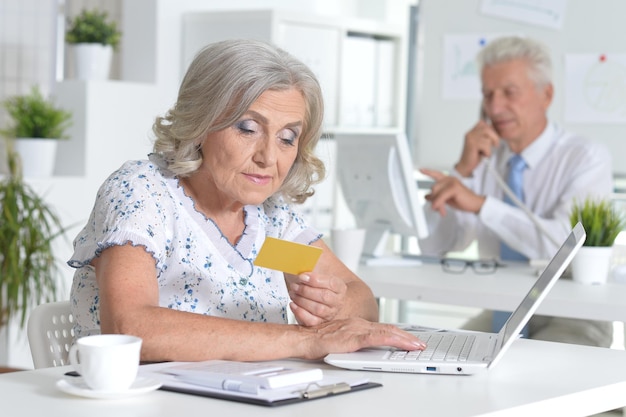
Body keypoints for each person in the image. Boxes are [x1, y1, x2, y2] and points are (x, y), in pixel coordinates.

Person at [67, 39, 425, 363]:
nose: (268, 157)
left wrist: (333, 306)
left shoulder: (268, 227)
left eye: (287, 137)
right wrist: (308, 339)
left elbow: (360, 297)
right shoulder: (145, 195)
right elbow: (131, 328)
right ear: (201, 122)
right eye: (248, 129)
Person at [419, 36, 614, 347]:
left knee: (531, 373)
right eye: (487, 95)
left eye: (509, 93)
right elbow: (432, 245)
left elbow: (562, 249)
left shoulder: (586, 157)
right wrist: (463, 170)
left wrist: (483, 205)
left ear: (546, 95)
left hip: (570, 314)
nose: (495, 107)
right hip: (505, 309)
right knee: (444, 353)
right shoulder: (485, 157)